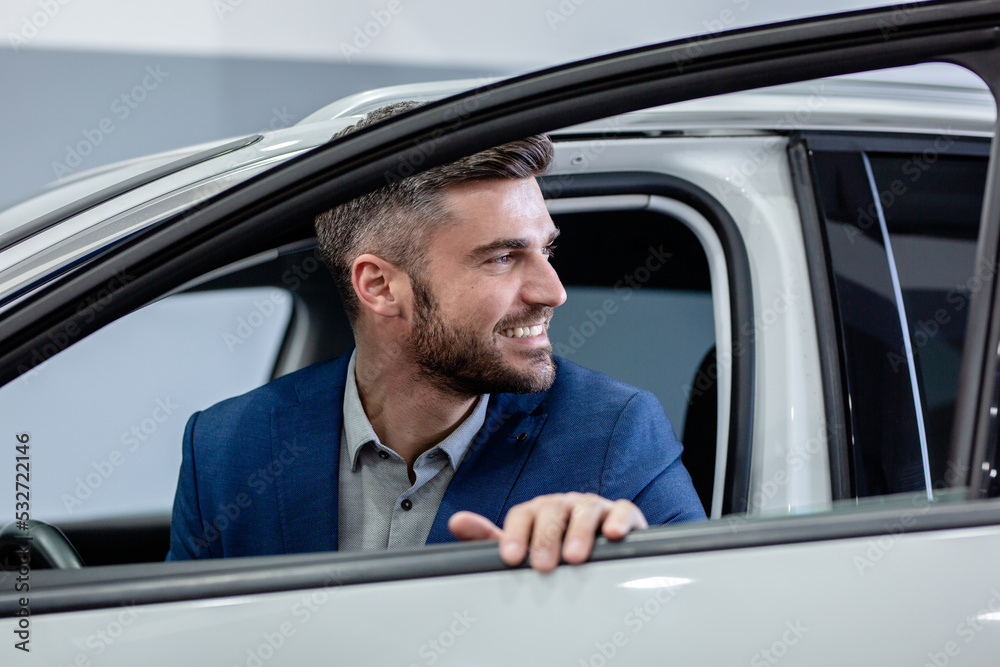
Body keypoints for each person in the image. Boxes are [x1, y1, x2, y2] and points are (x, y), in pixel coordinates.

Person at [166, 101, 705, 572]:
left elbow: (706, 625)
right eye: (502, 257)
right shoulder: (227, 447)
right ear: (379, 286)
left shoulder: (616, 436)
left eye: (547, 251)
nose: (553, 291)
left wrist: (627, 570)